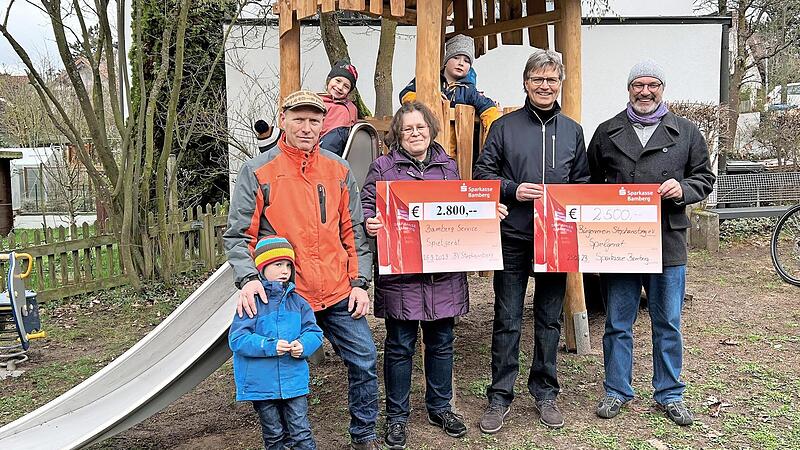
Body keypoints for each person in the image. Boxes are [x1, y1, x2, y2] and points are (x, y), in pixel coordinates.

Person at [223, 90, 381, 450]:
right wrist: (248, 280)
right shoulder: (258, 170)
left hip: (338, 289)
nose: (307, 127)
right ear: (283, 120)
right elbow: (238, 235)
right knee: (280, 367)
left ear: (323, 124)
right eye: (299, 119)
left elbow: (353, 231)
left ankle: (364, 435)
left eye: (314, 120)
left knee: (365, 361)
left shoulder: (337, 170)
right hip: (287, 296)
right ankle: (287, 438)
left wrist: (360, 282)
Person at [361, 101, 508, 449]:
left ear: (431, 129)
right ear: (398, 133)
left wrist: (489, 211)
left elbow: (460, 209)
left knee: (442, 343)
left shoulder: (448, 167)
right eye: (408, 128)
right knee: (399, 346)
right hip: (403, 274)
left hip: (442, 274)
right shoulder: (381, 168)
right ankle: (397, 416)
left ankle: (440, 407)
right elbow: (367, 205)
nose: (415, 133)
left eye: (421, 127)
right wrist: (370, 220)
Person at [587, 60, 715, 426]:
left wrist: (683, 189)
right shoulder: (606, 131)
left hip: (667, 242)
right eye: (637, 85)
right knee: (617, 322)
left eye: (652, 84)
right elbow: (589, 181)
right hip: (620, 242)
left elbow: (704, 177)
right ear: (628, 89)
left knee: (668, 322)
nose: (645, 91)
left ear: (662, 88)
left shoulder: (687, 132)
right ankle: (616, 390)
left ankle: (670, 393)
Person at [472, 49, 590, 432]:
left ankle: (545, 390)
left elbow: (583, 184)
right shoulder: (504, 127)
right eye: (537, 79)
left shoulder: (573, 130)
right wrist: (511, 189)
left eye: (551, 79)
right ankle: (499, 395)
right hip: (513, 237)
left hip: (556, 239)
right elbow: (482, 176)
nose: (544, 85)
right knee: (506, 318)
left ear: (560, 84)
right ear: (525, 83)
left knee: (548, 319)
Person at [229, 236, 324, 450]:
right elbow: (238, 339)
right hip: (262, 384)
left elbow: (313, 331)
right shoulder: (251, 302)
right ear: (262, 268)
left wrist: (303, 345)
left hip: (294, 382)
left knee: (301, 432)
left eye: (288, 265)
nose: (285, 270)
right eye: (278, 264)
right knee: (274, 435)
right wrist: (269, 345)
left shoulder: (298, 302)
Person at [399, 34, 501, 151]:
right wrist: (428, 99)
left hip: (453, 151)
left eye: (466, 61)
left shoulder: (469, 90)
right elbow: (405, 94)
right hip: (423, 144)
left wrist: (492, 133)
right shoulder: (429, 80)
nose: (461, 63)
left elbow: (488, 108)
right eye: (456, 57)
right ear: (446, 60)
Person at [320, 59, 359, 156]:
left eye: (346, 86)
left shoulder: (349, 109)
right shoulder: (317, 101)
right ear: (329, 80)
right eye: (338, 81)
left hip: (335, 152)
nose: (340, 87)